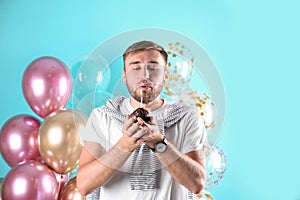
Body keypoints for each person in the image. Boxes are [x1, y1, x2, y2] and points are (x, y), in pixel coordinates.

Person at [77, 40, 207, 200]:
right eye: (135, 67)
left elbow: (197, 183)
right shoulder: (102, 117)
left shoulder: (187, 117)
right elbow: (83, 185)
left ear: (166, 74)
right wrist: (125, 145)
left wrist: (159, 143)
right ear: (124, 75)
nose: (145, 75)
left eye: (153, 67)